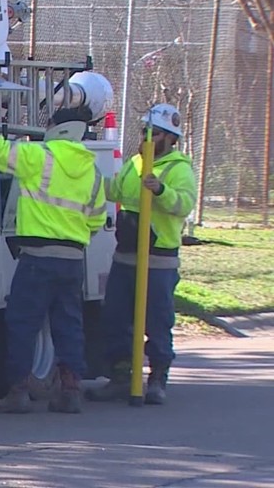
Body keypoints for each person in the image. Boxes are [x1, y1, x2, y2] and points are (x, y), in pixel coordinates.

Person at [0, 107, 107, 414]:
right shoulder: (92, 172)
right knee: (68, 325)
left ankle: (17, 392)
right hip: (72, 261)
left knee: (22, 323)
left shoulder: (40, 157)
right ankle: (70, 390)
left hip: (37, 260)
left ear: (58, 128)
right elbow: (96, 220)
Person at [86, 103, 196, 405]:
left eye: (155, 132)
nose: (148, 136)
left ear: (171, 138)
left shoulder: (178, 168)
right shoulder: (135, 163)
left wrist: (161, 190)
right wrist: (89, 181)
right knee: (116, 317)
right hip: (126, 255)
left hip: (158, 258)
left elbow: (184, 205)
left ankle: (158, 377)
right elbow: (116, 191)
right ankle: (121, 376)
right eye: (145, 130)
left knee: (157, 320)